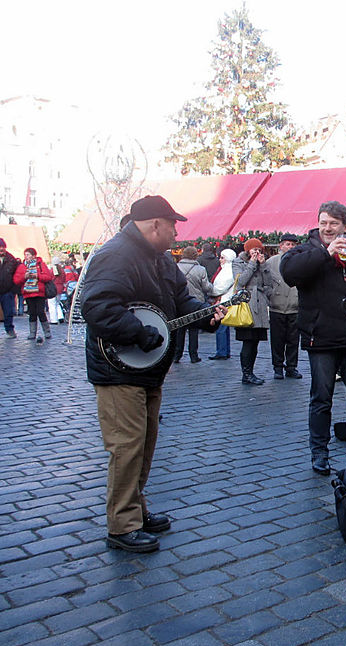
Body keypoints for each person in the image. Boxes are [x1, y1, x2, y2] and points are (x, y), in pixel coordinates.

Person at [80, 195, 225, 552]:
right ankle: (122, 525)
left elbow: (180, 300)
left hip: (146, 369)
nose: (177, 232)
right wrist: (139, 333)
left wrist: (205, 315)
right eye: (173, 225)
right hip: (119, 368)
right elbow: (97, 307)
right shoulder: (116, 255)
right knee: (126, 447)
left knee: (143, 445)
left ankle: (135, 509)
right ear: (155, 224)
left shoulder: (159, 260)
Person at [281, 200, 346, 475]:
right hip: (322, 339)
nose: (327, 228)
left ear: (345, 226)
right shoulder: (307, 251)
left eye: (333, 224)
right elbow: (290, 273)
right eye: (323, 222)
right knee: (321, 398)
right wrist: (326, 253)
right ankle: (319, 453)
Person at [232, 239, 273, 385]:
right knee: (247, 341)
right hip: (247, 305)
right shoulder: (238, 262)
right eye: (253, 249)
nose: (256, 252)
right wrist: (252, 264)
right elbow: (240, 281)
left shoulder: (262, 262)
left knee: (255, 342)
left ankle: (250, 372)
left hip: (260, 305)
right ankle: (246, 374)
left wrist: (263, 265)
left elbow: (268, 282)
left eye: (259, 249)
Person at [266, 234, 302, 379]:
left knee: (293, 340)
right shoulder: (271, 262)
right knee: (277, 340)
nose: (290, 247)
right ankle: (278, 367)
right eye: (288, 244)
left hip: (295, 307)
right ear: (280, 246)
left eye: (293, 244)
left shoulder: (301, 262)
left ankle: (292, 367)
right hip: (277, 306)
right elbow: (266, 282)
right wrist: (271, 295)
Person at [173, 246, 214, 363]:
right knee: (194, 329)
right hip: (196, 302)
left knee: (180, 328)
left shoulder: (176, 267)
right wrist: (213, 287)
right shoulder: (200, 269)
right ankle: (193, 355)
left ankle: (177, 354)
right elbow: (206, 287)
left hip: (180, 302)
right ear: (196, 255)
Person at [13, 247, 55, 342]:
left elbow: (48, 277)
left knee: (41, 312)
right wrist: (24, 277)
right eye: (25, 255)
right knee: (32, 313)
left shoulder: (40, 265)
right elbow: (16, 280)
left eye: (28, 255)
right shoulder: (22, 267)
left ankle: (47, 331)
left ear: (33, 256)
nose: (26, 257)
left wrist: (38, 276)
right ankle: (32, 333)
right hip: (28, 293)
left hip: (39, 292)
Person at [208, 249, 237, 360]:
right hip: (223, 300)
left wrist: (211, 291)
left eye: (222, 257)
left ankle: (222, 351)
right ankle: (224, 350)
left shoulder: (228, 271)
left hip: (223, 302)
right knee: (223, 328)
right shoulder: (225, 269)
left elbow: (220, 288)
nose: (220, 259)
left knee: (221, 327)